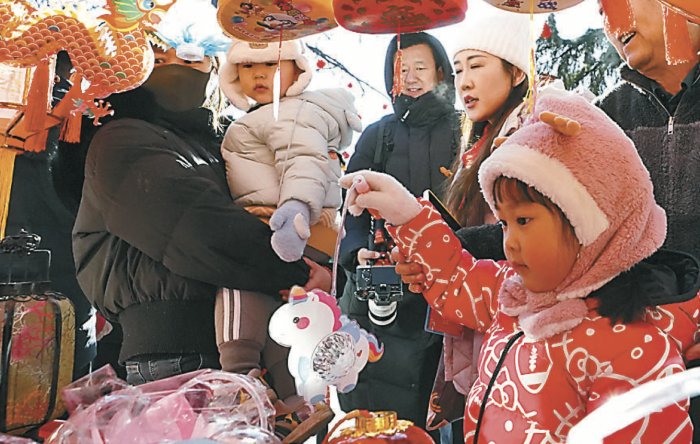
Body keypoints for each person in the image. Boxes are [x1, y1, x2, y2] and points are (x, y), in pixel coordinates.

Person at [340, 89, 698, 443]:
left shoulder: (635, 351)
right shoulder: (513, 292)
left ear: (592, 224)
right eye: (504, 223)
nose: (508, 242)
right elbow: (456, 279)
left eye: (523, 220)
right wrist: (406, 213)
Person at [213, 38, 360, 414]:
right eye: (247, 66)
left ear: (299, 71)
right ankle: (295, 405)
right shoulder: (275, 113)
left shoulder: (287, 113)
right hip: (300, 232)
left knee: (236, 283)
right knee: (286, 324)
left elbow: (303, 162)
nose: (259, 74)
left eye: (273, 64)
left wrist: (294, 215)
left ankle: (239, 381)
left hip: (287, 228)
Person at [336, 31, 460, 441]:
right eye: (401, 70)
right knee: (378, 396)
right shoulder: (378, 134)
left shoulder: (464, 129)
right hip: (386, 279)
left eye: (421, 68)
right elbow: (351, 205)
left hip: (451, 276)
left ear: (441, 71)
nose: (411, 78)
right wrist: (356, 252)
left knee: (442, 394)